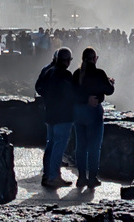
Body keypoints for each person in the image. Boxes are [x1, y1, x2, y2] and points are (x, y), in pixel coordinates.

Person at [72, 47, 115, 188]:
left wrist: (84, 99)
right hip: (93, 112)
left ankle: (81, 177)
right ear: (95, 58)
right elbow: (109, 90)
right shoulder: (99, 73)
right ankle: (92, 178)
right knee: (94, 147)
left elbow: (71, 93)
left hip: (78, 112)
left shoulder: (77, 73)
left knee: (81, 146)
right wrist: (110, 82)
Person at [34, 47, 75, 188]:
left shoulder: (48, 71)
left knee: (51, 144)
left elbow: (39, 88)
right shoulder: (65, 75)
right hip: (63, 116)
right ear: (67, 61)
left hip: (50, 114)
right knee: (59, 146)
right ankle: (53, 177)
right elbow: (71, 95)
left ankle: (47, 175)